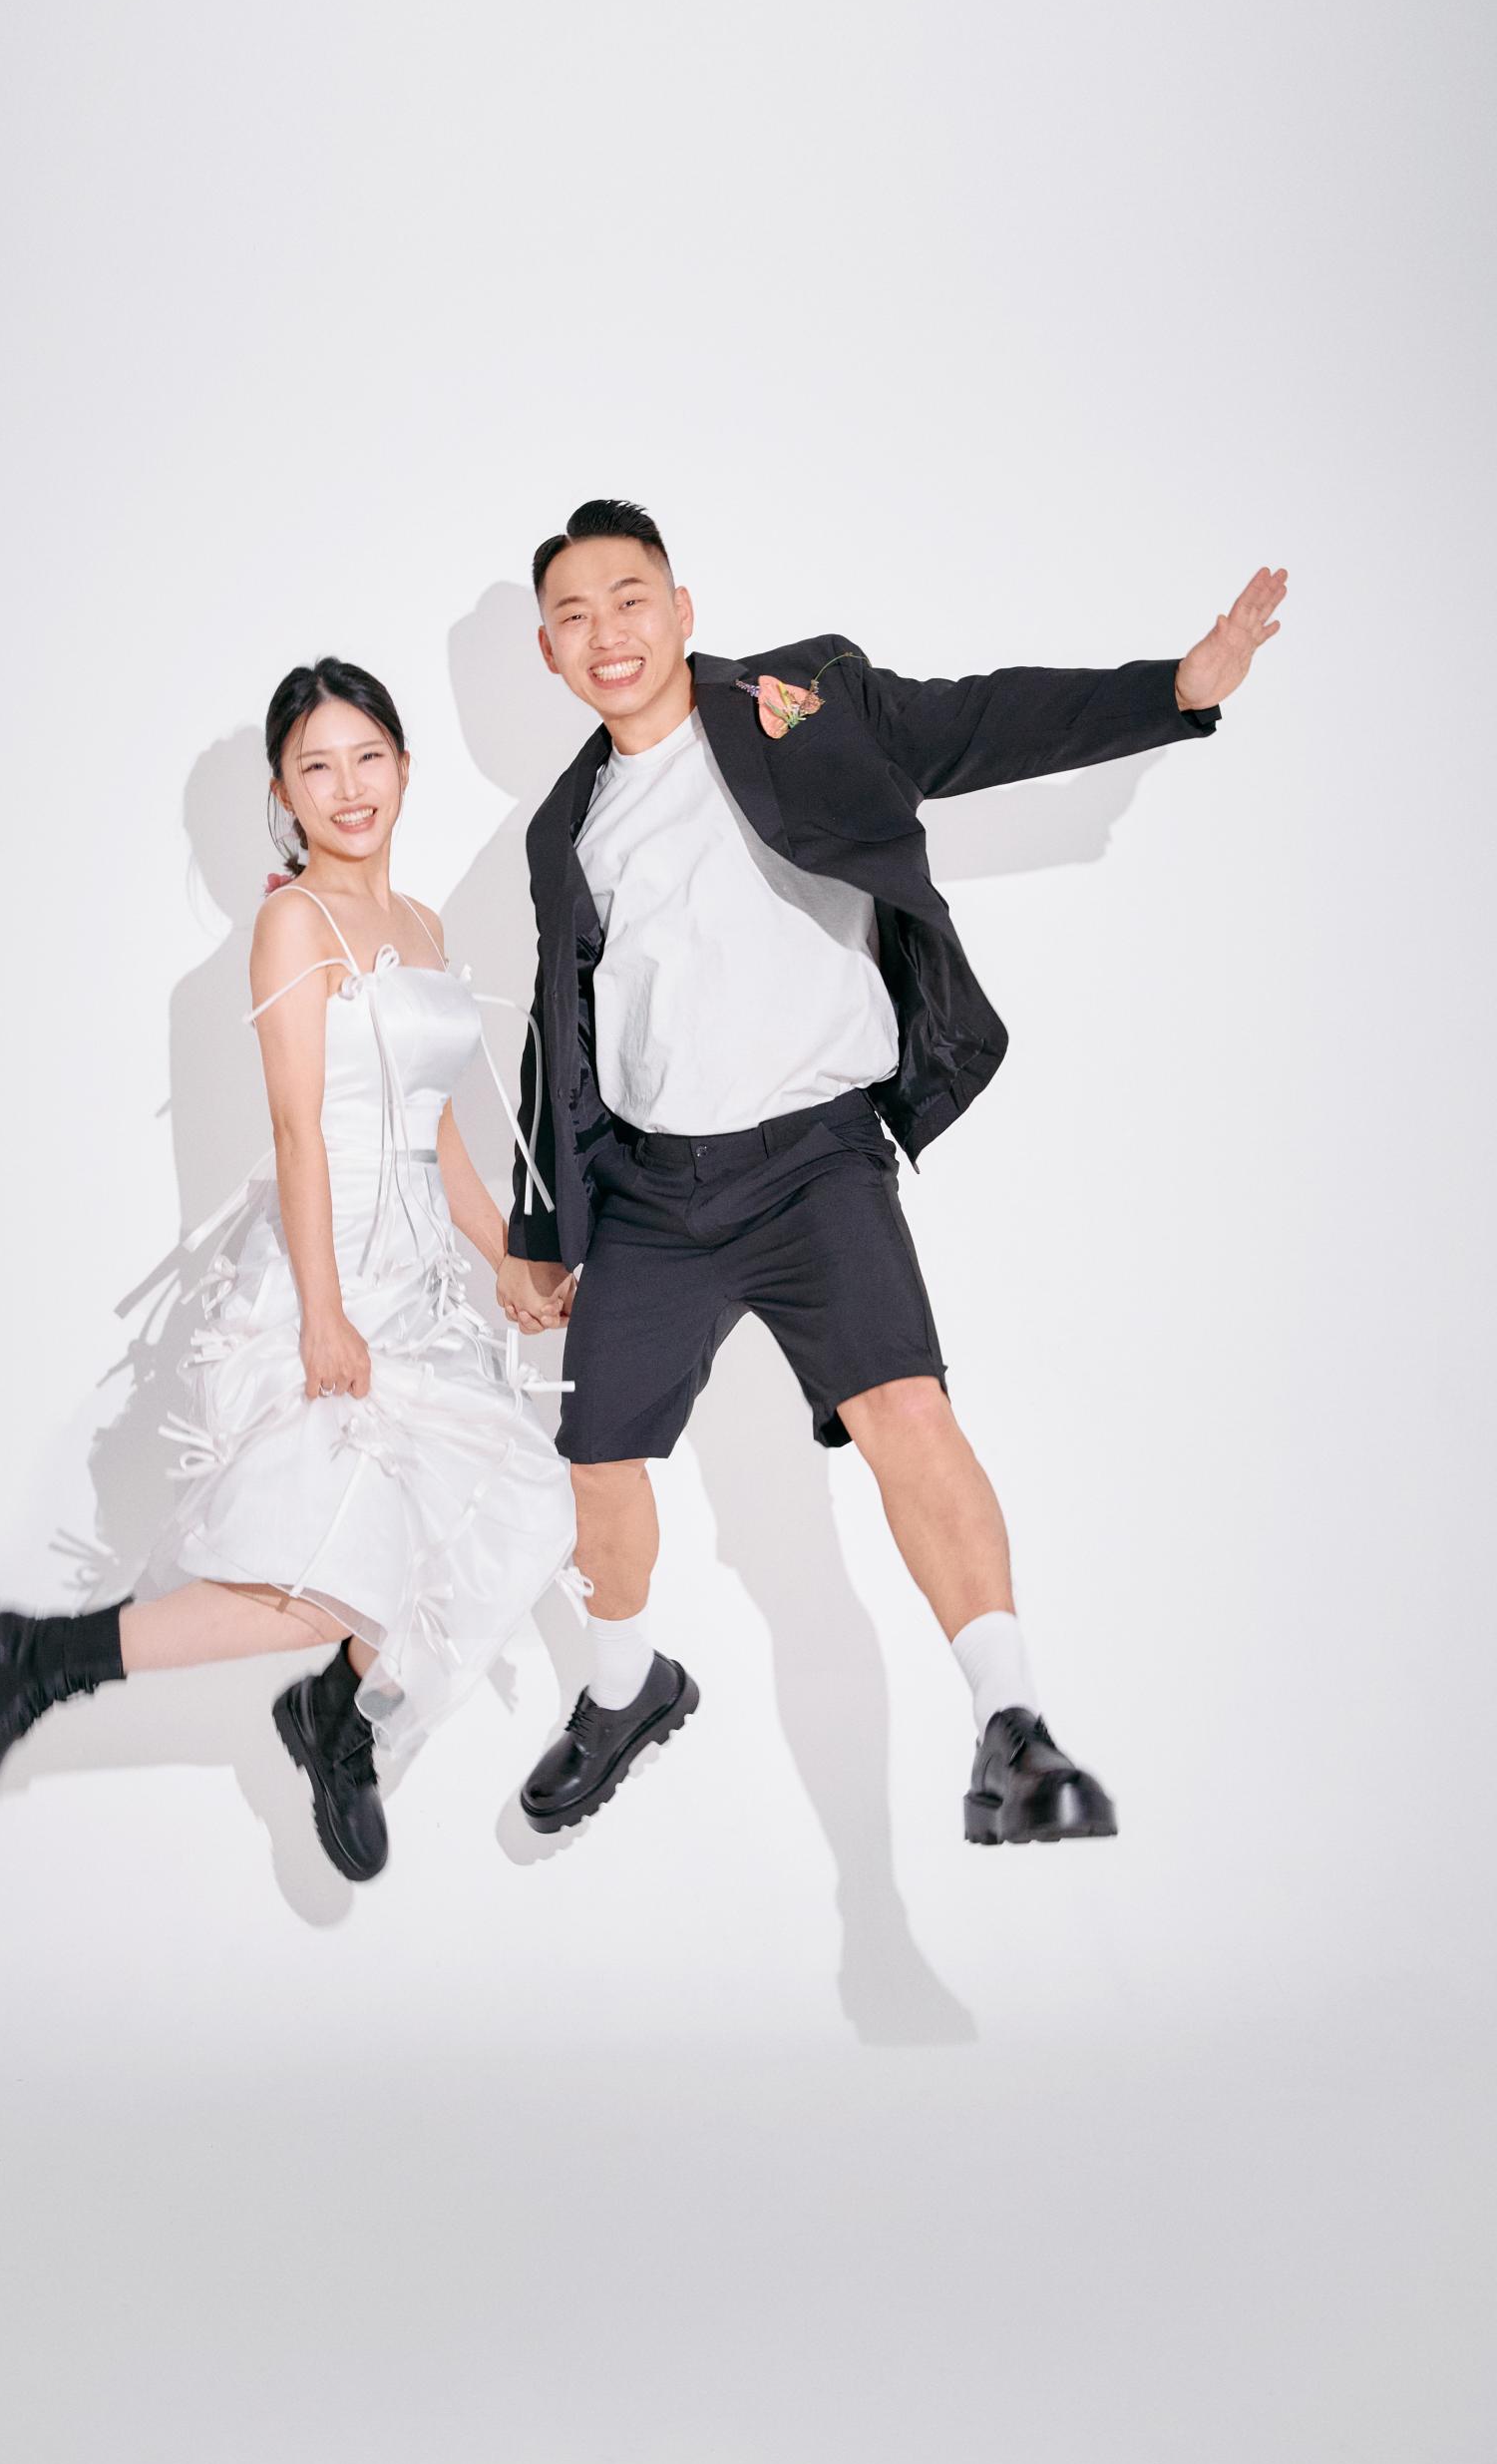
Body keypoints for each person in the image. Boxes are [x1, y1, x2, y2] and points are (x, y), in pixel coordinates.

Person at [496, 500, 1285, 1844]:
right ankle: (625, 1690)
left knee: (905, 1412)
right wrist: (536, 1222)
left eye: (630, 600)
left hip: (813, 1163)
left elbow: (977, 722)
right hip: (651, 1190)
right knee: (598, 1456)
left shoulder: (805, 704)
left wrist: (1176, 689)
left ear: (681, 610)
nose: (606, 632)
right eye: (574, 615)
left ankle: (1012, 1727)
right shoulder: (564, 823)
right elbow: (554, 1022)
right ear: (548, 650)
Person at [0, 657, 578, 1880]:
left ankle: (339, 1709)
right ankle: (37, 1661)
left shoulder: (425, 924)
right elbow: (296, 1129)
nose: (349, 787)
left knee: (527, 1509)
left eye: (367, 756)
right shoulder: (296, 922)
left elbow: (438, 1128)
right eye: (315, 767)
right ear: (284, 794)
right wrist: (323, 1317)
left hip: (421, 1286)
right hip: (326, 1275)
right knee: (327, 1569)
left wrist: (508, 1256)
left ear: (404, 765)